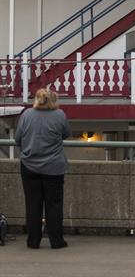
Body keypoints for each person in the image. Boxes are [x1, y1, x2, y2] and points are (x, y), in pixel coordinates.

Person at [14, 87, 70, 250]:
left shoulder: (26, 115)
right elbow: (66, 133)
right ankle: (56, 240)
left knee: (32, 204)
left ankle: (33, 241)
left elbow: (18, 138)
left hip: (29, 165)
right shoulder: (60, 115)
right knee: (54, 204)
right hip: (54, 166)